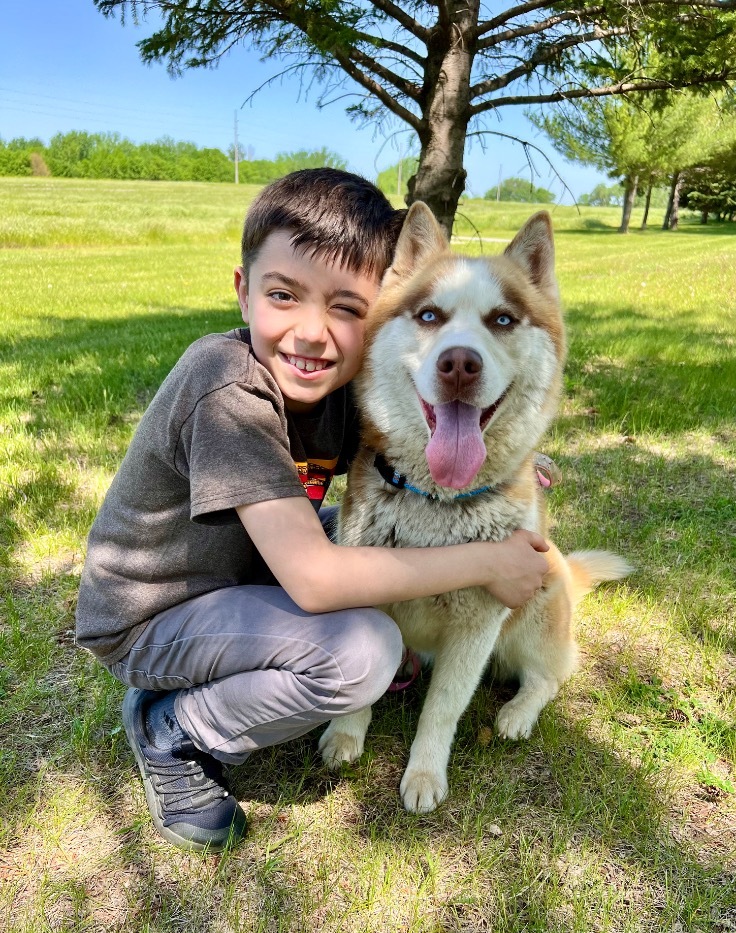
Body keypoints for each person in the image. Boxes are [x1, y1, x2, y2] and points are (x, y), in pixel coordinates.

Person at [75, 168, 550, 854]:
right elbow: (316, 581)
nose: (312, 333)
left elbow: (420, 442)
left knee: (351, 551)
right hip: (151, 615)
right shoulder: (225, 389)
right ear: (242, 293)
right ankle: (174, 728)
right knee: (366, 651)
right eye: (282, 295)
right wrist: (488, 561)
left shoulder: (334, 392)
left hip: (240, 580)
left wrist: (500, 460)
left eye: (347, 309)